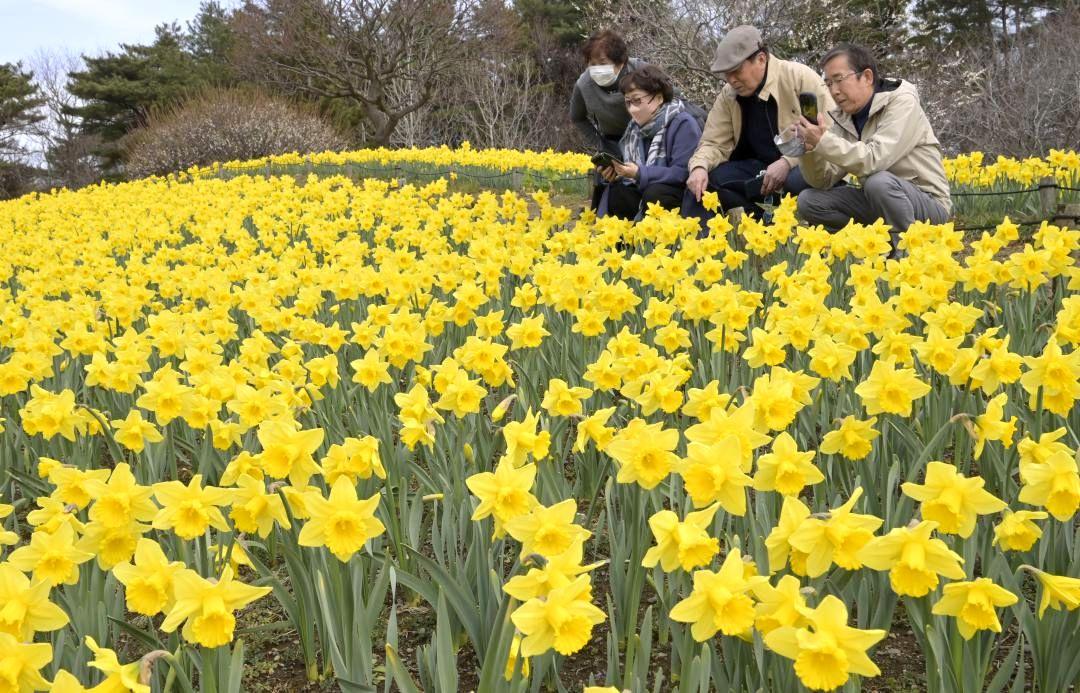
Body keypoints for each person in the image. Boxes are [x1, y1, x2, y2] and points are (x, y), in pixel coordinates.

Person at [795, 43, 950, 253]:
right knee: (809, 201)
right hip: (879, 201)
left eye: (839, 80)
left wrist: (824, 142)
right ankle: (870, 249)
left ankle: (907, 256)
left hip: (927, 205)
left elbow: (875, 160)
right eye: (828, 84)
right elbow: (823, 180)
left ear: (867, 77)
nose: (834, 91)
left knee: (878, 182)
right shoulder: (844, 118)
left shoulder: (902, 102)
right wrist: (811, 149)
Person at [683, 26, 832, 221]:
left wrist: (787, 162)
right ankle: (691, 245)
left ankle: (776, 227)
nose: (731, 80)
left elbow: (829, 134)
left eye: (736, 71)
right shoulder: (728, 94)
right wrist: (699, 167)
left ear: (761, 59)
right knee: (703, 183)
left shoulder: (799, 77)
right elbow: (713, 142)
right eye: (726, 74)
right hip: (756, 169)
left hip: (803, 165)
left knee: (795, 181)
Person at [596, 65, 703, 220]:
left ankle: (665, 241)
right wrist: (617, 172)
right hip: (646, 189)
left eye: (637, 100)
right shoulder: (634, 129)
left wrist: (639, 173)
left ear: (659, 98)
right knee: (617, 191)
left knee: (655, 194)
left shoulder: (683, 123)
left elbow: (683, 173)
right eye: (628, 102)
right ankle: (630, 240)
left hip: (680, 194)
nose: (632, 109)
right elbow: (632, 174)